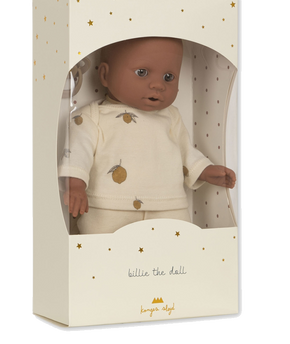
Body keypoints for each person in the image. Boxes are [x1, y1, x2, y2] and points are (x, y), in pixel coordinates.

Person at [58, 37, 236, 234]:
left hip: (169, 205)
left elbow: (186, 152)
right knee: (101, 248)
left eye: (168, 77)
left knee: (180, 245)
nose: (158, 85)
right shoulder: (92, 117)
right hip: (108, 206)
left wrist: (205, 170)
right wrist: (75, 184)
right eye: (142, 72)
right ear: (105, 74)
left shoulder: (171, 117)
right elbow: (78, 152)